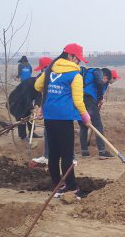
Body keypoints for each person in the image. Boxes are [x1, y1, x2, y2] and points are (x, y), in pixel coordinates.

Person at [33, 44, 91, 197]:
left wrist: (52, 95)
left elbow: (37, 86)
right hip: (64, 118)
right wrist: (85, 116)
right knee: (67, 155)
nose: (78, 62)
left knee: (53, 153)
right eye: (78, 59)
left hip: (49, 117)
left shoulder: (50, 70)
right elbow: (78, 101)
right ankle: (71, 188)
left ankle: (58, 185)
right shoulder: (75, 76)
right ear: (71, 56)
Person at [78, 65, 110, 158]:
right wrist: (100, 97)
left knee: (83, 126)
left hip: (80, 99)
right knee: (98, 125)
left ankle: (84, 151)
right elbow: (100, 84)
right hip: (89, 99)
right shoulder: (98, 74)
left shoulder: (89, 74)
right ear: (105, 77)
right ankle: (102, 152)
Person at [31, 56, 53, 165]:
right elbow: (42, 95)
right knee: (47, 132)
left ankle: (71, 158)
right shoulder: (45, 78)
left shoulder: (55, 78)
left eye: (42, 69)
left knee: (61, 133)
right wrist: (41, 108)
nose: (41, 71)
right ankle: (47, 156)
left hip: (57, 109)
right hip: (49, 109)